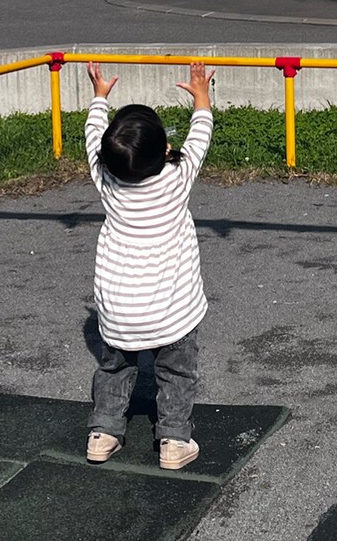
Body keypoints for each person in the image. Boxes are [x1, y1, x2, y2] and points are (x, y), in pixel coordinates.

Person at [84, 58, 214, 470]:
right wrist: (201, 96)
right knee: (176, 374)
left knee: (114, 369)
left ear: (106, 158)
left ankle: (103, 434)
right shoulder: (178, 180)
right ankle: (174, 441)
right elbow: (201, 135)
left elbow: (92, 136)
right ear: (166, 150)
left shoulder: (106, 182)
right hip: (173, 312)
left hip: (119, 312)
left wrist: (99, 98)